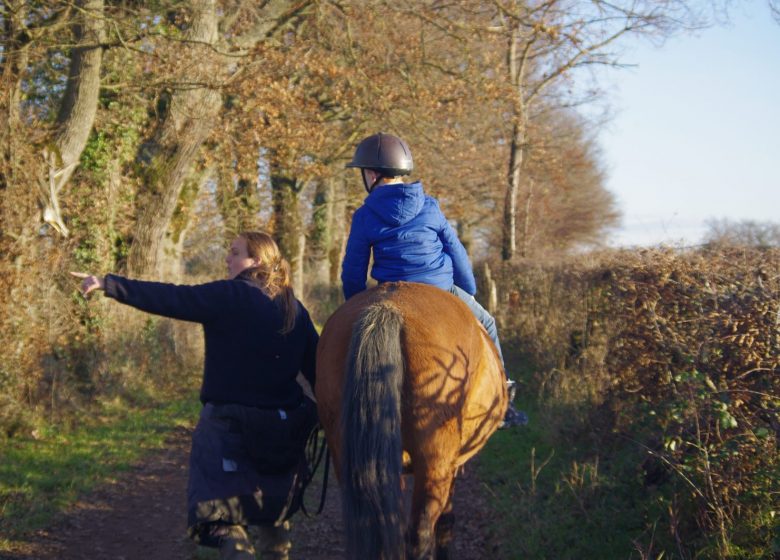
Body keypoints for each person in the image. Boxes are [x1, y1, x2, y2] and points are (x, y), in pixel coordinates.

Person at [71, 231, 319, 560]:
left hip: (229, 429)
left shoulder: (229, 295)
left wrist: (108, 284)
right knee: (273, 516)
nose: (227, 259)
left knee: (226, 522)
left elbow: (170, 298)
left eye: (234, 252)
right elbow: (318, 371)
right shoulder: (294, 308)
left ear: (256, 261)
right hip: (281, 431)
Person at [341, 132, 527, 428]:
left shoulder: (364, 215)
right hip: (441, 288)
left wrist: (353, 303)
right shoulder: (430, 206)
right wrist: (467, 292)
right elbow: (457, 252)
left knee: (349, 338)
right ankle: (502, 401)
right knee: (487, 322)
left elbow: (353, 270)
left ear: (372, 174)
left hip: (390, 292)